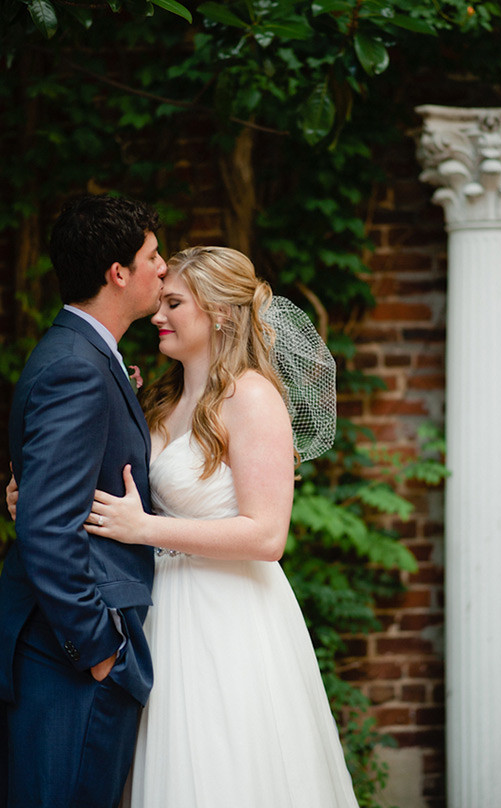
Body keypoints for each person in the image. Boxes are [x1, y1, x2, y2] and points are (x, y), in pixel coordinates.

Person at [80, 246, 359, 808]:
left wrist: (146, 531)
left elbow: (265, 536)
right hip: (160, 611)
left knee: (225, 768)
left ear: (222, 313)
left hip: (227, 616)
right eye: (161, 302)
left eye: (175, 303)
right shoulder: (161, 400)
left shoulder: (252, 397)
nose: (158, 316)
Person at [0, 193, 167, 808]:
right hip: (66, 659)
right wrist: (100, 650)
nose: (164, 268)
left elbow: (44, 490)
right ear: (117, 272)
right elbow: (47, 530)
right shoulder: (78, 367)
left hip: (60, 650)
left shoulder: (83, 355)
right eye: (153, 255)